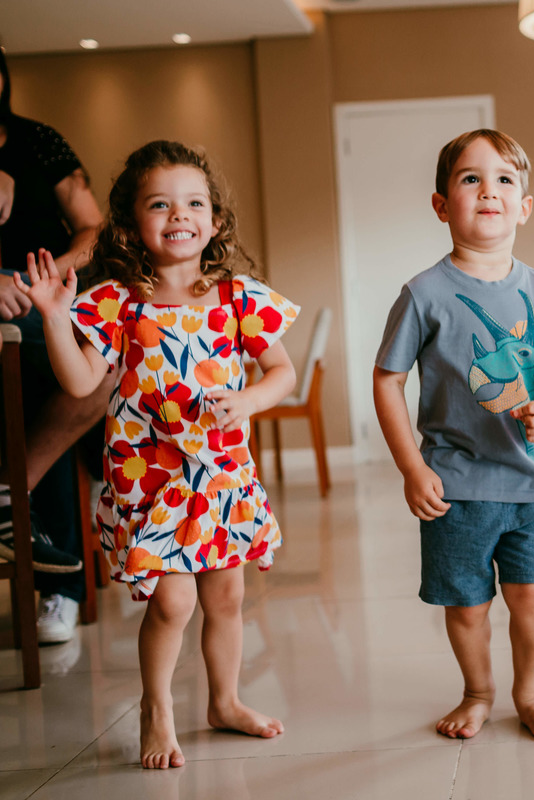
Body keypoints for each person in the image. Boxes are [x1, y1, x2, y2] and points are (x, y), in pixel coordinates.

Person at [16, 140, 297, 767]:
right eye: (160, 204)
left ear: (215, 221)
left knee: (226, 596)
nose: (180, 215)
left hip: (221, 474)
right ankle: (157, 708)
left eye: (195, 203)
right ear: (129, 225)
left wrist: (249, 401)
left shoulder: (236, 297)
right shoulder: (116, 301)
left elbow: (283, 373)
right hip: (150, 478)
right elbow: (82, 384)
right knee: (174, 600)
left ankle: (224, 701)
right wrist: (56, 320)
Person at [373, 129, 534, 742]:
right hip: (456, 486)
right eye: (470, 179)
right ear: (442, 205)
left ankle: (531, 691)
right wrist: (412, 468)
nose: (487, 191)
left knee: (532, 599)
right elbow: (387, 382)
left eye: (503, 180)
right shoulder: (423, 293)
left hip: (531, 483)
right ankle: (477, 690)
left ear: (523, 206)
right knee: (465, 605)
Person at [0, 46, 111, 645]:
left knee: (91, 375)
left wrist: (46, 280)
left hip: (43, 299)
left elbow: (93, 229)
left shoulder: (38, 142)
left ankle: (55, 575)